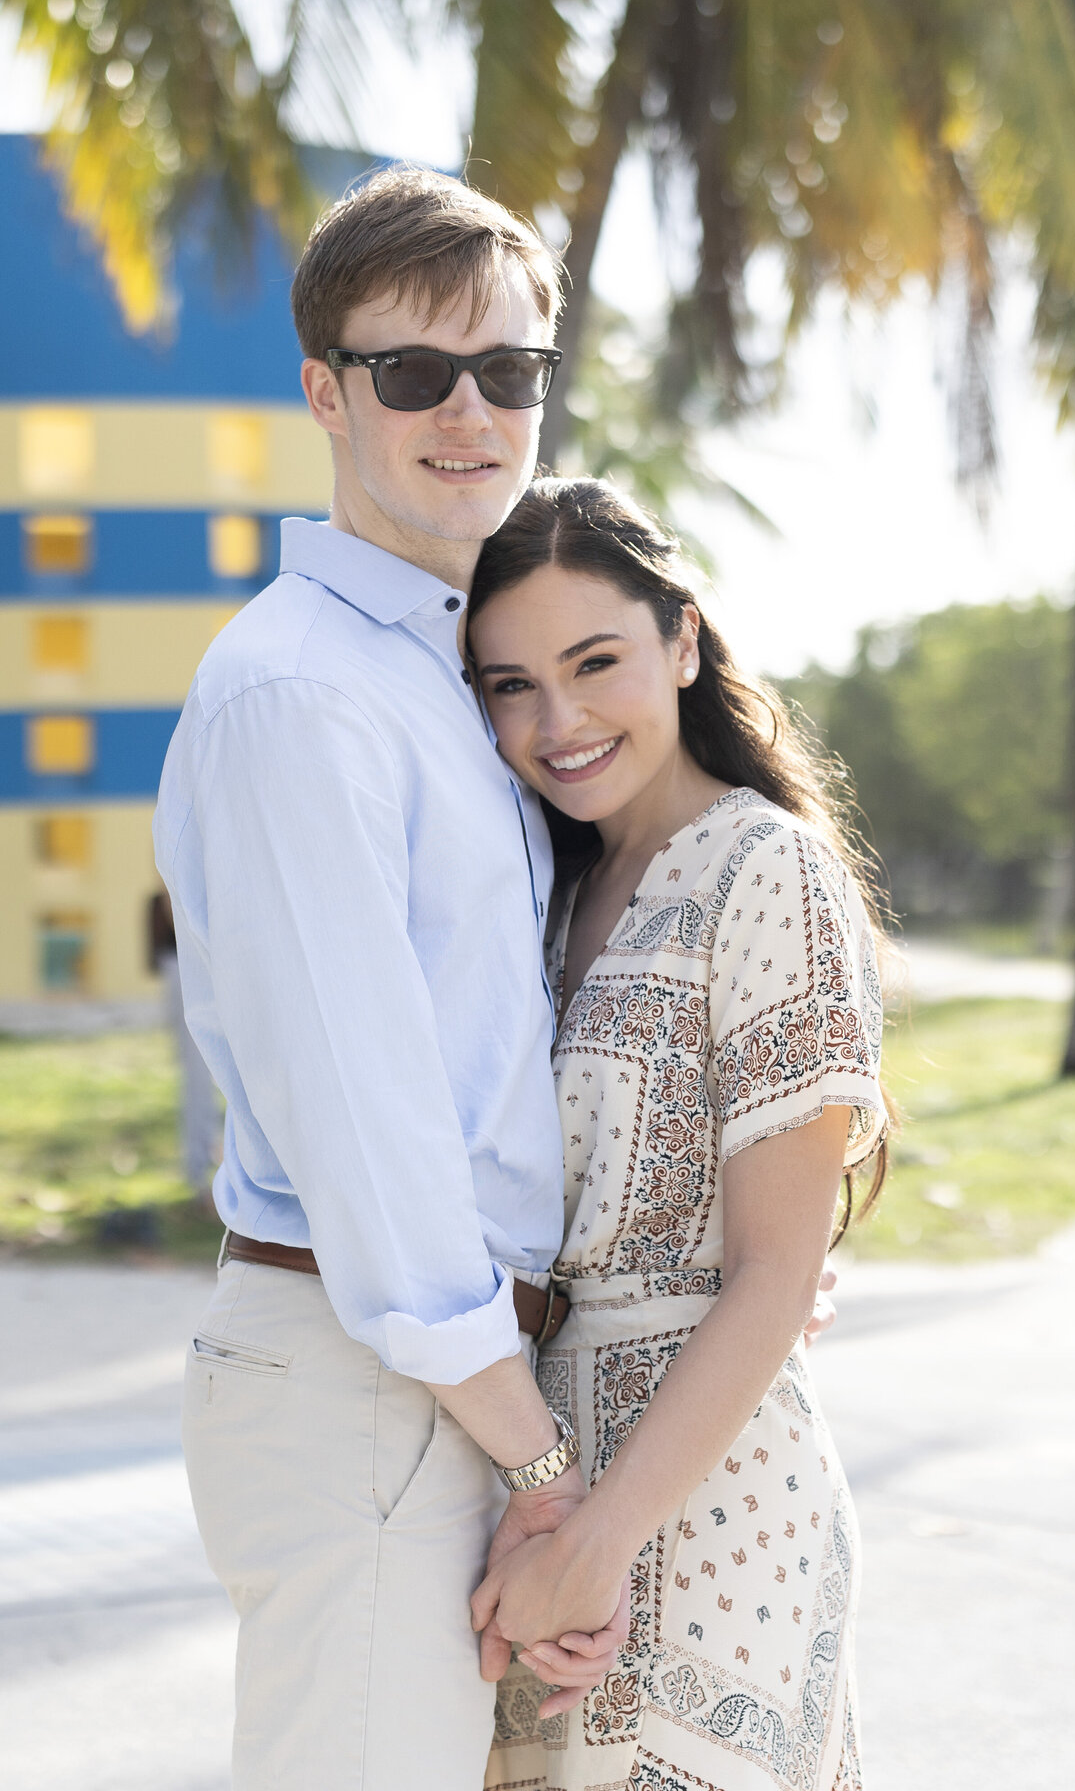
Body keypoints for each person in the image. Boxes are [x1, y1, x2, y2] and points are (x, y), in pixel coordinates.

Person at [153, 168, 627, 1790]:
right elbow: (376, 1136)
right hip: (383, 1381)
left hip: (450, 1383)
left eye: (508, 371)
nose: (469, 411)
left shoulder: (450, 671)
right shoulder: (305, 694)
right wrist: (546, 1463)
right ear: (325, 393)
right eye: (414, 372)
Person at [466, 477, 888, 1791]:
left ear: (684, 642)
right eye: (511, 685)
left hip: (715, 1513)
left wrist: (595, 1549)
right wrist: (547, 1530)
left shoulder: (768, 867)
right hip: (542, 1490)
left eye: (596, 663)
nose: (560, 719)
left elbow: (773, 1273)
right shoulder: (544, 888)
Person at [146, 883, 223, 1202]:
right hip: (182, 977)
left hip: (210, 978)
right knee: (195, 1078)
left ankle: (211, 1156)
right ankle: (197, 1165)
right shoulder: (160, 899)